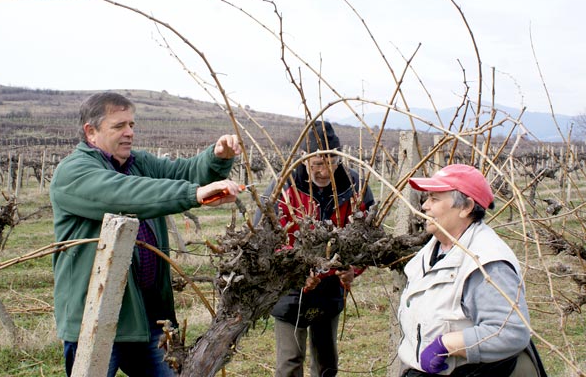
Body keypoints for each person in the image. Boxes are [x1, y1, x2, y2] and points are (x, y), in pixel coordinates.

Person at [49, 92, 243, 377]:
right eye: (119, 126)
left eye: (132, 124)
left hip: (149, 318)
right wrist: (193, 194)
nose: (129, 132)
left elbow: (184, 171)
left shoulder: (139, 163)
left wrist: (215, 158)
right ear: (91, 132)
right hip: (95, 320)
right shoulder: (74, 172)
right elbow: (124, 193)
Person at [398, 164, 547, 376]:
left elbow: (510, 331)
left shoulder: (485, 262)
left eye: (435, 199)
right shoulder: (434, 249)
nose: (424, 206)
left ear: (466, 207)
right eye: (427, 198)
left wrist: (446, 344)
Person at [255, 120, 375, 377]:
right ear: (303, 158)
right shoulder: (283, 189)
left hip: (332, 286)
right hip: (289, 287)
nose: (324, 171)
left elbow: (367, 237)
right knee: (290, 361)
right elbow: (263, 240)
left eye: (331, 162)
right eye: (317, 163)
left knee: (326, 363)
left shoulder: (356, 187)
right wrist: (296, 273)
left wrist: (353, 269)